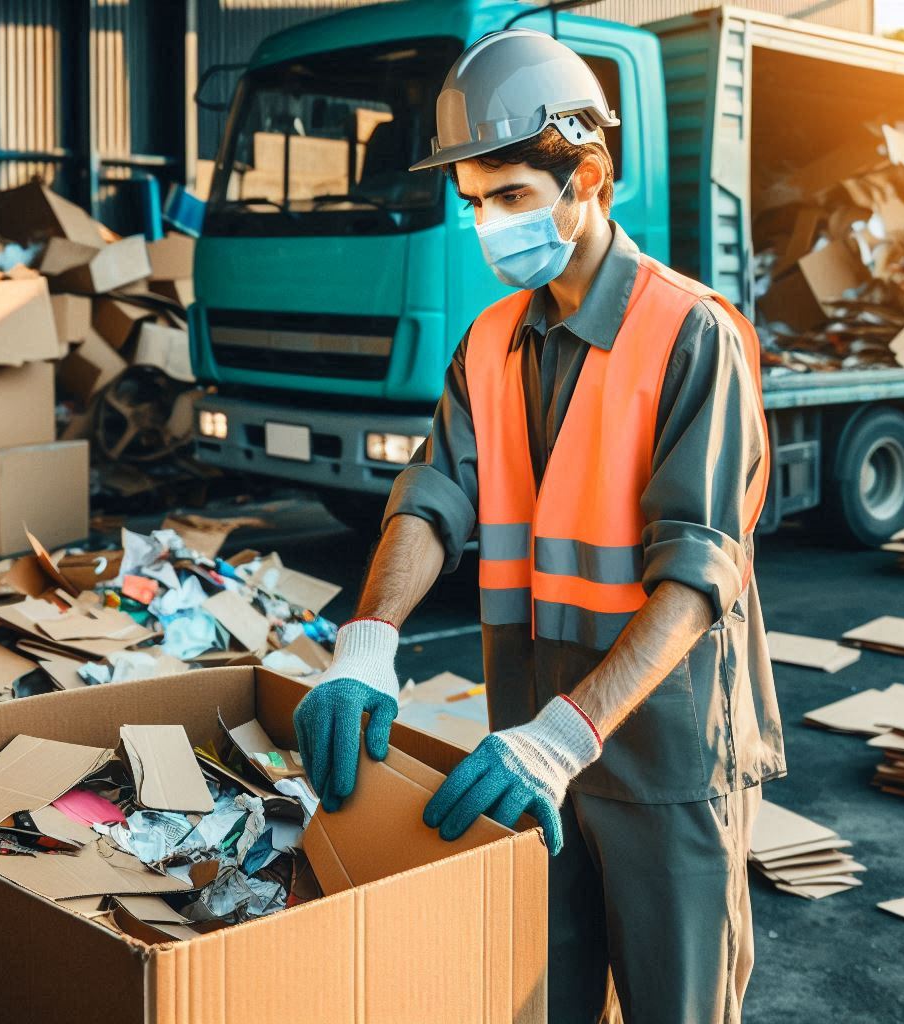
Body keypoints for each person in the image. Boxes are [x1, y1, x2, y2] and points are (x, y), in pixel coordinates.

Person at [293, 28, 786, 1024]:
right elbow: (431, 499)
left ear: (589, 175)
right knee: (542, 1006)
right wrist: (366, 642)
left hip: (663, 765)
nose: (487, 227)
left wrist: (566, 737)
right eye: (473, 203)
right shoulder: (488, 344)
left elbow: (695, 577)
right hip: (524, 759)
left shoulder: (691, 335)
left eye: (510, 196)